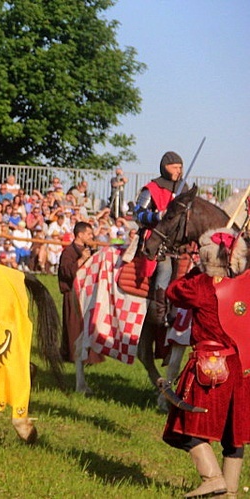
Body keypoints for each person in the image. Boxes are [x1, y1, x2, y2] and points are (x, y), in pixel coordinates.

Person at [163, 228, 249, 498]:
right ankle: (230, 494)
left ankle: (213, 479)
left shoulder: (201, 285)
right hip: (241, 367)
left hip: (210, 367)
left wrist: (191, 270)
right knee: (233, 434)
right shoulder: (247, 282)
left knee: (186, 425)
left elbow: (173, 292)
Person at [134, 151, 188, 326]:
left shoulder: (184, 188)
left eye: (180, 167)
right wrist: (157, 216)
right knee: (164, 270)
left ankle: (176, 310)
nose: (178, 170)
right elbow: (138, 213)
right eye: (174, 167)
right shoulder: (152, 188)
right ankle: (159, 311)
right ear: (165, 167)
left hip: (178, 242)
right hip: (157, 239)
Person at [58, 221, 94, 362]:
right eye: (88, 234)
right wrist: (82, 260)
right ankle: (74, 355)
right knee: (73, 325)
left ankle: (84, 354)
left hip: (85, 292)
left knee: (85, 324)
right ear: (80, 235)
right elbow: (66, 272)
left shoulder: (86, 249)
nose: (91, 236)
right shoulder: (69, 252)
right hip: (72, 292)